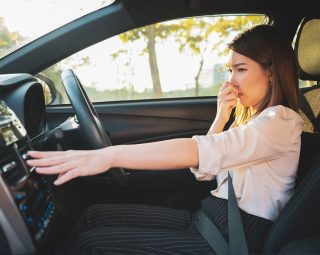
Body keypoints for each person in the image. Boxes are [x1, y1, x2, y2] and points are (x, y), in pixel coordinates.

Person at [27, 24, 304, 254]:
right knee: (93, 215)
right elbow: (206, 172)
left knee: (91, 245)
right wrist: (221, 118)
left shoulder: (280, 120)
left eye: (241, 69)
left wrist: (108, 155)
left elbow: (197, 152)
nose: (231, 80)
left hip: (233, 239)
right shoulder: (253, 121)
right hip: (210, 220)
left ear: (270, 72)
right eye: (230, 70)